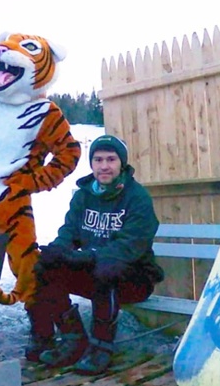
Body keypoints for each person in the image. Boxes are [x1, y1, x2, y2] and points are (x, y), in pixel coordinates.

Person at [31, 135, 164, 373]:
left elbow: (129, 247)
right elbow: (69, 231)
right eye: (98, 159)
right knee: (45, 266)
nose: (104, 166)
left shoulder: (137, 197)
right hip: (95, 272)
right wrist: (58, 250)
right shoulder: (83, 195)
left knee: (107, 268)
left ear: (121, 164)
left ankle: (102, 346)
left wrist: (88, 256)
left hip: (135, 278)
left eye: (111, 159)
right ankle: (73, 340)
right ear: (91, 164)